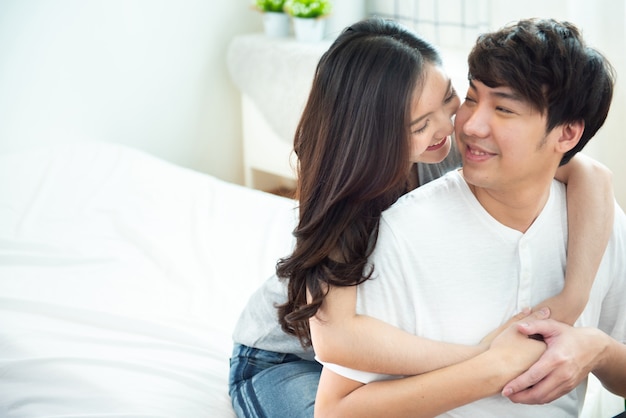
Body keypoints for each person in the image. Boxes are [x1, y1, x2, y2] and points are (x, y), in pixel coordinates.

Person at [229, 18, 615, 418]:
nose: (452, 127)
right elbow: (337, 341)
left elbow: (590, 175)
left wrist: (573, 298)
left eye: (450, 99)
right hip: (287, 358)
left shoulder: (448, 147)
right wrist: (485, 357)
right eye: (419, 125)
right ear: (376, 134)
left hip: (371, 365)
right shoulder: (350, 201)